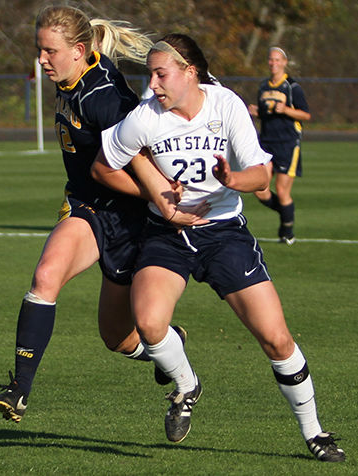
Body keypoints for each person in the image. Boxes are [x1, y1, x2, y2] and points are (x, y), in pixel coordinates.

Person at [92, 34, 344, 462]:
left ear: (190, 72)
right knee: (150, 324)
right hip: (166, 235)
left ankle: (315, 432)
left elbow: (261, 176)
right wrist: (155, 197)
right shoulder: (145, 117)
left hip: (224, 233)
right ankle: (187, 385)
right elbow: (102, 168)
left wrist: (232, 180)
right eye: (150, 74)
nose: (152, 84)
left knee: (276, 340)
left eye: (161, 74)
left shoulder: (224, 104)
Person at [0, 6, 203, 424]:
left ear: (78, 50)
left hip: (129, 222)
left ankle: (175, 356)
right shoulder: (73, 73)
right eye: (40, 49)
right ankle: (19, 389)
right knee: (46, 276)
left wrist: (159, 197)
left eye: (49, 51)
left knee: (118, 338)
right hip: (87, 209)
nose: (41, 59)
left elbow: (138, 161)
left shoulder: (105, 98)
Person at [248, 47, 311, 245]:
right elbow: (268, 115)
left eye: (277, 60)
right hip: (266, 143)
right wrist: (258, 112)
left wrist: (286, 110)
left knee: (282, 191)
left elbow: (306, 115)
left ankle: (287, 232)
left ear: (284, 62)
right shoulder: (263, 87)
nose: (273, 63)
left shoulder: (292, 87)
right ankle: (286, 211)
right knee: (259, 189)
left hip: (288, 143)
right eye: (271, 60)